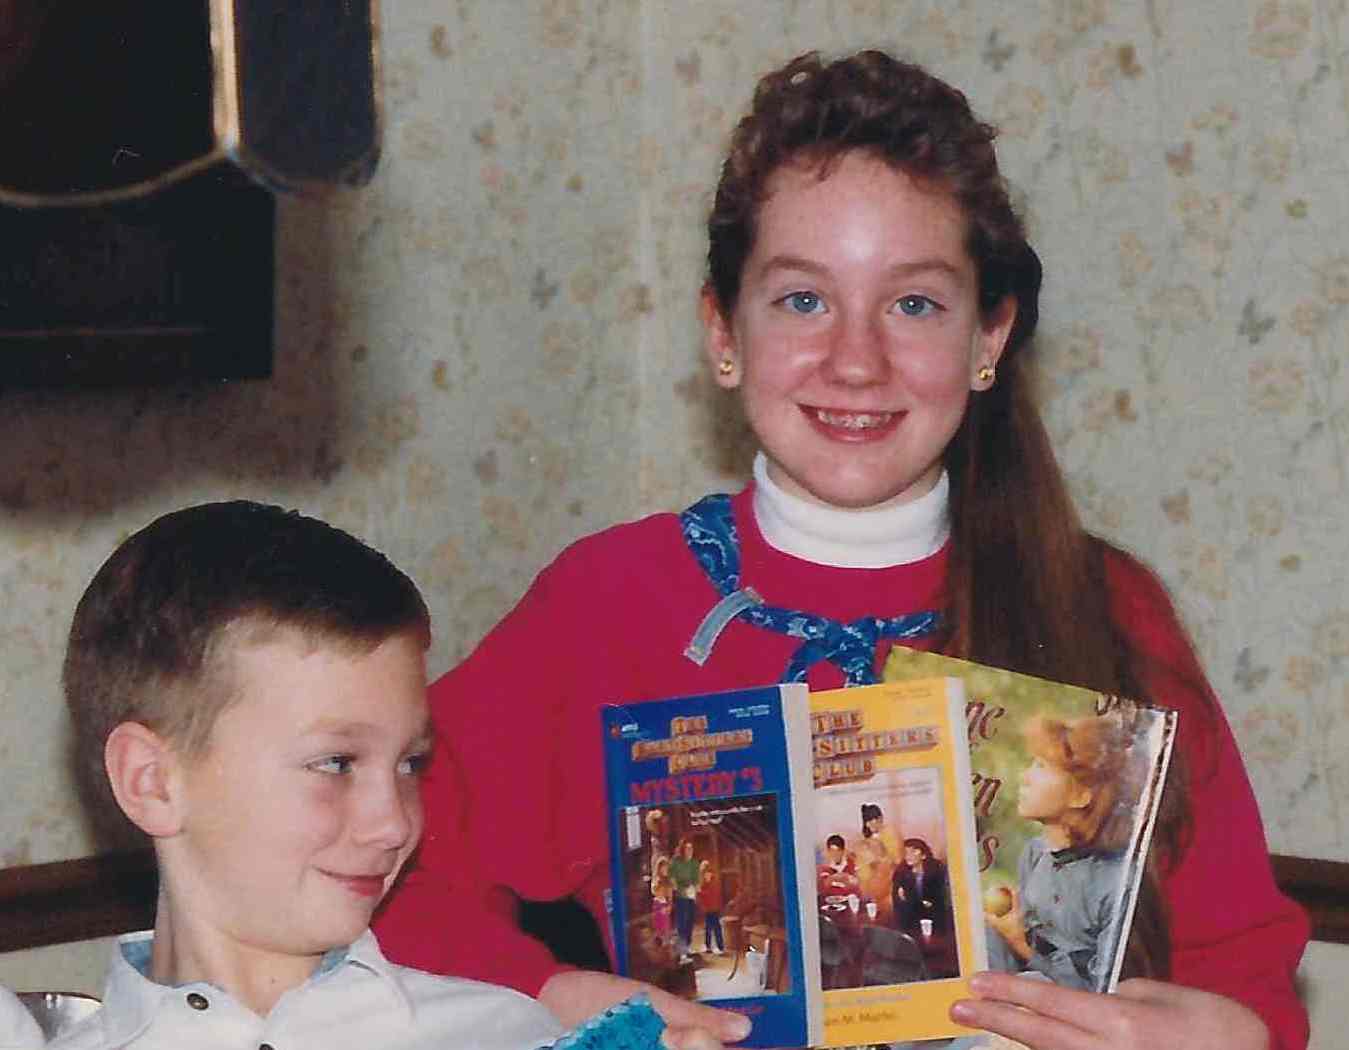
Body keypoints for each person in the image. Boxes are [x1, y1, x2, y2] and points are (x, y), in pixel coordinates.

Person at [374, 49, 1310, 1050]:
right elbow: (387, 882)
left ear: (987, 337)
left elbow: (1249, 984)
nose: (855, 361)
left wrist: (1217, 1037)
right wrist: (554, 995)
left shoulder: (1103, 603)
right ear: (720, 331)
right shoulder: (605, 600)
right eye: (801, 300)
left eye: (912, 303)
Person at [53, 501, 565, 1050]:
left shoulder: (509, 1036)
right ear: (151, 781)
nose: (393, 824)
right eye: (336, 764)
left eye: (410, 763)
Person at [984, 714, 1136, 991]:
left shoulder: (1113, 881)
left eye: (1041, 766)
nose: (1025, 776)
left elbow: (1100, 988)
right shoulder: (1034, 853)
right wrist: (1013, 926)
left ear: (1081, 795)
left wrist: (1022, 944)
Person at [891, 838, 951, 937]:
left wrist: (916, 901)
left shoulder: (937, 871)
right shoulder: (901, 873)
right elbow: (899, 904)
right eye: (906, 852)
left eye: (913, 852)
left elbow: (938, 902)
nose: (908, 856)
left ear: (923, 855)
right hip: (911, 922)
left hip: (936, 921)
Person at [669, 840, 701, 964]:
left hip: (691, 896)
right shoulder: (676, 862)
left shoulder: (694, 863)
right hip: (680, 897)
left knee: (689, 924)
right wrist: (680, 887)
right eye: (687, 849)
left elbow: (696, 879)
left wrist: (695, 888)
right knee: (681, 925)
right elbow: (673, 879)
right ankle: (681, 952)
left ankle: (687, 949)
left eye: (691, 849)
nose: (690, 851)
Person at [696, 861, 725, 955]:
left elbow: (713, 895)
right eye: (705, 873)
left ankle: (720, 946)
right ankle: (708, 946)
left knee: (717, 927)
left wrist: (701, 893)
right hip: (707, 909)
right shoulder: (702, 884)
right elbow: (700, 898)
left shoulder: (714, 883)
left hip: (714, 908)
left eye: (708, 872)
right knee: (708, 928)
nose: (707, 875)